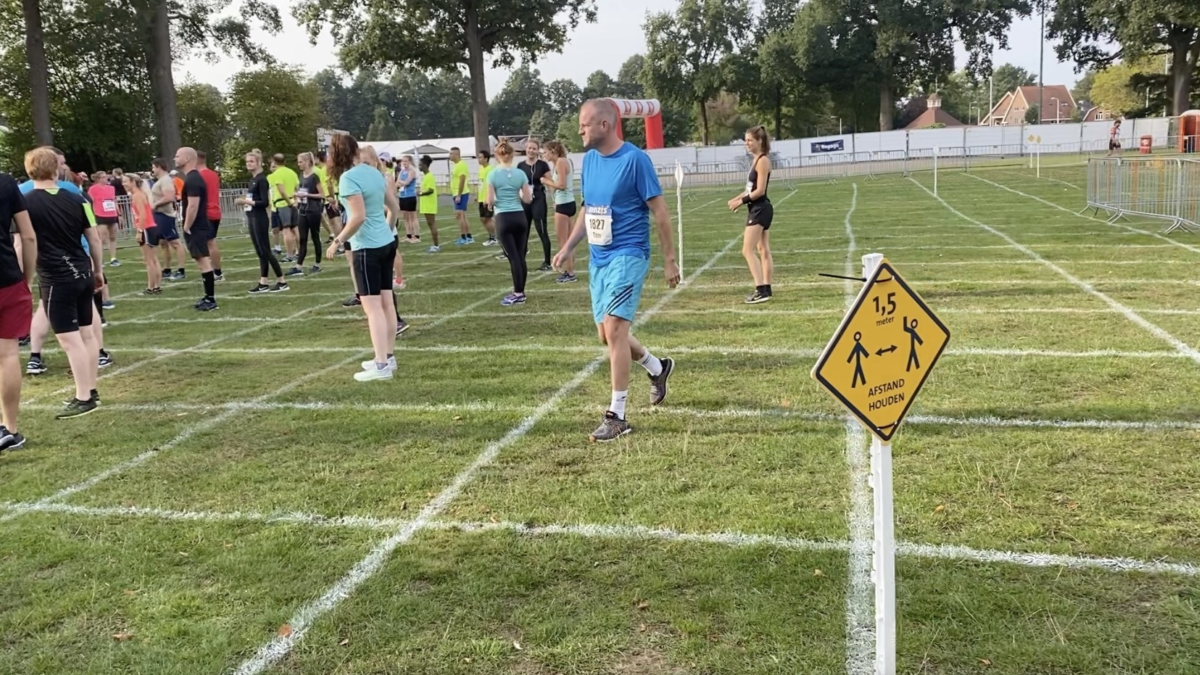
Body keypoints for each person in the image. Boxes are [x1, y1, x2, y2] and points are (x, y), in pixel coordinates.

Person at [552, 100, 680, 442]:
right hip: (600, 260)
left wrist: (669, 259)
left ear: (605, 125)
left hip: (629, 254)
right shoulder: (590, 161)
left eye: (584, 124)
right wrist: (568, 247)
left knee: (615, 329)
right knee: (606, 335)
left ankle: (617, 415)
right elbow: (587, 211)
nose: (579, 130)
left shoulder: (636, 161)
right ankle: (657, 367)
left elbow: (662, 213)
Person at [23, 147, 106, 418]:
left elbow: (24, 241)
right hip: (82, 271)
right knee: (87, 334)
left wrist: (26, 275)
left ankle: (84, 397)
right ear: (57, 169)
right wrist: (98, 270)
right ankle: (90, 389)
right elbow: (94, 238)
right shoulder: (78, 198)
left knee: (69, 340)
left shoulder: (25, 202)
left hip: (57, 277)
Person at [324, 134, 402, 381]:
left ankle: (381, 366)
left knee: (373, 308)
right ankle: (387, 357)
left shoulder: (348, 178)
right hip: (385, 244)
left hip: (366, 248)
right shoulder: (374, 172)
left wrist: (337, 241)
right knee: (386, 303)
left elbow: (357, 217)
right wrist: (386, 231)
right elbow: (394, 208)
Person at [0, 171, 35, 450]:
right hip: (7, 277)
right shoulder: (5, 182)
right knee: (8, 354)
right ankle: (9, 428)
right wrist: (29, 277)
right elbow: (28, 235)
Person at [727, 126, 775, 304]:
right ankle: (766, 289)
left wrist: (742, 201)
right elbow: (750, 189)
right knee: (762, 249)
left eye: (749, 140)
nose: (746, 144)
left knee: (747, 250)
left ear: (759, 141)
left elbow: (760, 191)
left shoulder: (762, 161)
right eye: (745, 140)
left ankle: (761, 289)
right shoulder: (755, 160)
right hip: (758, 207)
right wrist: (736, 198)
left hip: (760, 208)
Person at [487, 141, 533, 306]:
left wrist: (490, 202)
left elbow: (490, 201)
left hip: (504, 218)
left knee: (513, 257)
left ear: (497, 155)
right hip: (520, 216)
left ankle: (518, 293)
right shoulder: (520, 173)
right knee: (520, 256)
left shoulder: (492, 174)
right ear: (512, 155)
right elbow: (527, 199)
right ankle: (521, 291)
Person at [236, 151, 288, 294]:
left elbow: (264, 202)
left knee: (265, 250)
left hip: (260, 218)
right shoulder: (252, 180)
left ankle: (282, 280)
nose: (249, 164)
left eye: (251, 161)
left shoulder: (262, 180)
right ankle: (263, 281)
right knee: (260, 251)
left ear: (259, 163)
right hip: (252, 217)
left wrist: (246, 201)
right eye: (247, 162)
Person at [174, 147, 218, 311]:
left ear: (187, 158)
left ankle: (211, 299)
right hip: (198, 225)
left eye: (177, 156)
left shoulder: (193, 179)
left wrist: (186, 226)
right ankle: (208, 296)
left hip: (196, 226)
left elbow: (193, 206)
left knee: (203, 261)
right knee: (200, 261)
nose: (174, 159)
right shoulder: (192, 178)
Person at [542, 140, 578, 284]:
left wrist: (546, 181)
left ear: (553, 151)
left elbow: (561, 185)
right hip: (567, 203)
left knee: (564, 242)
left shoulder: (561, 162)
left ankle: (569, 273)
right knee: (569, 241)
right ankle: (570, 271)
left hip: (564, 205)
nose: (544, 155)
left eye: (545, 152)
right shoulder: (564, 162)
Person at [519, 138, 553, 271]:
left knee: (542, 230)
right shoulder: (521, 166)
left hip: (538, 199)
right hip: (525, 200)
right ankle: (521, 260)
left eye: (534, 148)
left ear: (537, 150)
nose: (531, 151)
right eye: (529, 148)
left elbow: (550, 182)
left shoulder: (543, 165)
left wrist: (554, 199)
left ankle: (547, 262)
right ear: (526, 149)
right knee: (523, 231)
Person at [124, 174, 162, 295]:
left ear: (133, 182)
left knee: (149, 260)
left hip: (147, 228)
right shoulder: (140, 194)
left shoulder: (137, 195)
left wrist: (139, 231)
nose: (123, 184)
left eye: (125, 182)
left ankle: (151, 287)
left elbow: (143, 215)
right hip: (150, 227)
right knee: (153, 259)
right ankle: (156, 286)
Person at [150, 158, 186, 281]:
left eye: (153, 167)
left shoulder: (165, 180)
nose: (152, 170)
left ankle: (181, 270)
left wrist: (155, 205)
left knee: (175, 242)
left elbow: (169, 197)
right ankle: (167, 269)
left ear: (159, 167)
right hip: (160, 215)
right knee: (163, 243)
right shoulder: (161, 180)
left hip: (165, 215)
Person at [292, 152, 325, 275]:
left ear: (307, 162)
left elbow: (322, 195)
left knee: (315, 236)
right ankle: (298, 266)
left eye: (300, 162)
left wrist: (307, 195)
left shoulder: (314, 176)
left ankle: (317, 264)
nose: (299, 164)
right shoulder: (301, 175)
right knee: (303, 238)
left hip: (313, 210)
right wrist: (297, 197)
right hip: (303, 209)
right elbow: (301, 191)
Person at [197, 151, 224, 281]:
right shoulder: (213, 174)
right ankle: (216, 271)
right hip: (215, 211)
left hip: (206, 212)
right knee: (211, 242)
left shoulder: (200, 176)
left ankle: (217, 272)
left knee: (210, 243)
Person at [269, 154, 300, 261]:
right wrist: (294, 201)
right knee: (295, 228)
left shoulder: (277, 174)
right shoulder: (292, 172)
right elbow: (297, 188)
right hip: (292, 201)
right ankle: (299, 251)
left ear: (274, 161)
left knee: (286, 230)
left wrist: (289, 202)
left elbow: (282, 191)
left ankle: (290, 255)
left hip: (283, 203)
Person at [87, 172, 121, 268]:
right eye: (103, 177)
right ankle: (100, 260)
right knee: (101, 239)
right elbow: (90, 202)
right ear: (98, 179)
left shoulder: (111, 188)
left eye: (106, 177)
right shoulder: (93, 189)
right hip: (100, 215)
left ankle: (113, 258)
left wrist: (118, 212)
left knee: (113, 237)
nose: (106, 179)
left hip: (112, 214)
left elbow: (113, 200)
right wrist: (91, 215)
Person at [448, 147, 472, 244]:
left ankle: (464, 237)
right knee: (462, 216)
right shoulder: (457, 165)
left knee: (459, 215)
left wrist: (459, 195)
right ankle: (468, 236)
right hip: (458, 193)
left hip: (461, 193)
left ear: (456, 155)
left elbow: (462, 180)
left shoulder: (461, 165)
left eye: (451, 154)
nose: (449, 156)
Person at [417, 155, 439, 252]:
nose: (419, 167)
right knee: (430, 224)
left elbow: (431, 190)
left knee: (432, 223)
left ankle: (436, 245)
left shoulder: (429, 176)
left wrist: (420, 193)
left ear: (425, 165)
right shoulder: (426, 176)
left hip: (429, 204)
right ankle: (435, 245)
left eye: (420, 165)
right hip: (426, 204)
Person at [476, 149, 497, 246]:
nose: (478, 159)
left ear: (486, 159)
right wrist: (478, 196)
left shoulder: (491, 169)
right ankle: (493, 235)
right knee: (483, 219)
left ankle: (493, 237)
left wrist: (488, 197)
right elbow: (481, 184)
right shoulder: (481, 169)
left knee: (487, 218)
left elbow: (492, 184)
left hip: (487, 198)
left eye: (480, 157)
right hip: (481, 198)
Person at [396, 155, 419, 243]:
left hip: (410, 196)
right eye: (403, 161)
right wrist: (400, 183)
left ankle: (416, 235)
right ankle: (408, 235)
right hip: (402, 196)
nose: (404, 163)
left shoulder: (412, 172)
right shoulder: (401, 172)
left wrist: (401, 182)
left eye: (406, 161)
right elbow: (397, 183)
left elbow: (407, 182)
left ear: (409, 162)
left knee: (412, 216)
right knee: (405, 217)